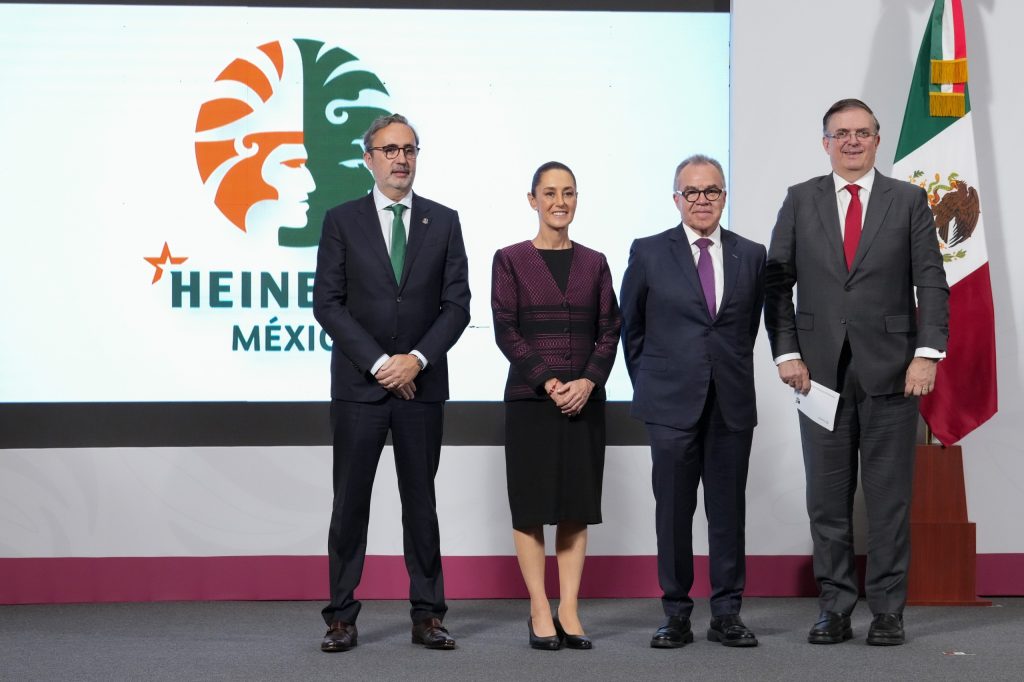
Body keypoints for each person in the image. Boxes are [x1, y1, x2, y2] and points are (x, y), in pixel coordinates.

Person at [764, 98, 949, 646]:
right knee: (827, 501)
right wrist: (786, 352)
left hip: (894, 372)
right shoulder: (800, 199)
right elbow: (777, 283)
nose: (851, 141)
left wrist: (927, 354)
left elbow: (931, 282)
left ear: (876, 140)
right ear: (825, 142)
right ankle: (835, 609)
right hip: (816, 376)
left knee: (889, 502)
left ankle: (888, 612)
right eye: (841, 133)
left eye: (861, 132)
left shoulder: (909, 200)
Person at [313, 113, 471, 652]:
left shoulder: (443, 221)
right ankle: (340, 617)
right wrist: (382, 363)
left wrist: (416, 361)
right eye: (390, 150)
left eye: (409, 149)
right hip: (359, 389)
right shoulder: (341, 220)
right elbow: (327, 304)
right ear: (369, 159)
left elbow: (457, 306)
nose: (401, 159)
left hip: (421, 390)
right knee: (349, 506)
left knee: (421, 505)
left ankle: (429, 616)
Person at [620, 154, 765, 649]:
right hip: (668, 406)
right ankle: (676, 613)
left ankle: (727, 614)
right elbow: (631, 329)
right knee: (673, 513)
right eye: (692, 191)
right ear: (676, 198)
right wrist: (653, 384)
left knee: (728, 513)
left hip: (730, 404)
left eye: (712, 191)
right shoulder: (648, 252)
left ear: (724, 196)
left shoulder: (751, 254)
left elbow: (745, 330)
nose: (702, 200)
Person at [491, 161, 621, 650]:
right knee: (530, 508)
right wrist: (549, 381)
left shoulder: (595, 262)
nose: (559, 202)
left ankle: (568, 608)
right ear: (533, 200)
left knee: (575, 507)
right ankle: (539, 608)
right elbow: (505, 328)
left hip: (585, 402)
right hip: (531, 401)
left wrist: (587, 381)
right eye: (549, 193)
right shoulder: (509, 259)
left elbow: (610, 329)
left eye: (568, 192)